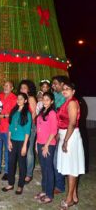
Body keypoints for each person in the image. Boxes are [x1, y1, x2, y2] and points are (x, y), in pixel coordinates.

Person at [57, 81, 85, 209]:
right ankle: (74, 196)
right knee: (70, 167)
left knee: (72, 169)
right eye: (63, 89)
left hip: (71, 137)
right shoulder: (66, 102)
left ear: (73, 91)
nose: (64, 90)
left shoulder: (72, 102)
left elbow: (72, 123)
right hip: (66, 135)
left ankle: (69, 199)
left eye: (67, 89)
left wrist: (66, 141)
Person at [2, 93, 32, 195]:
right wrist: (9, 140)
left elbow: (27, 131)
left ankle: (20, 185)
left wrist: (24, 145)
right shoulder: (14, 111)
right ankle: (10, 184)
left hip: (22, 141)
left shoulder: (27, 113)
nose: (18, 100)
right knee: (11, 162)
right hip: (13, 140)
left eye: (21, 99)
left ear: (25, 101)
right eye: (18, 99)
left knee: (22, 163)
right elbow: (10, 127)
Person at [0, 81, 17, 181]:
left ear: (12, 87)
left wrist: (2, 116)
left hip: (8, 128)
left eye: (7, 86)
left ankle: (7, 171)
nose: (5, 87)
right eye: (4, 85)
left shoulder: (14, 98)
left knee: (8, 150)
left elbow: (14, 114)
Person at [34, 92, 58, 204]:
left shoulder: (52, 113)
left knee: (48, 169)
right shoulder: (41, 112)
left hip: (48, 145)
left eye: (47, 100)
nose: (45, 101)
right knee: (43, 169)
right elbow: (38, 130)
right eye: (44, 99)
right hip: (40, 143)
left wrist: (46, 146)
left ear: (52, 101)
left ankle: (49, 194)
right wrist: (36, 143)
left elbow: (53, 131)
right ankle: (44, 190)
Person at [52, 75, 69, 194]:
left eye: (55, 84)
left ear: (62, 84)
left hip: (62, 132)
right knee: (54, 158)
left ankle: (60, 185)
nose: (53, 86)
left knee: (57, 159)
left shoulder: (65, 97)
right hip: (53, 131)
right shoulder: (55, 95)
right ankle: (57, 182)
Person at [18, 79, 37, 184]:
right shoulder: (21, 99)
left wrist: (28, 126)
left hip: (30, 127)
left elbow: (34, 113)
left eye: (25, 88)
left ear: (29, 89)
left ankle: (29, 174)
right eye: (21, 88)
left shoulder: (31, 98)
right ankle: (23, 171)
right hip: (22, 127)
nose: (22, 89)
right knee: (22, 149)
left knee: (29, 151)